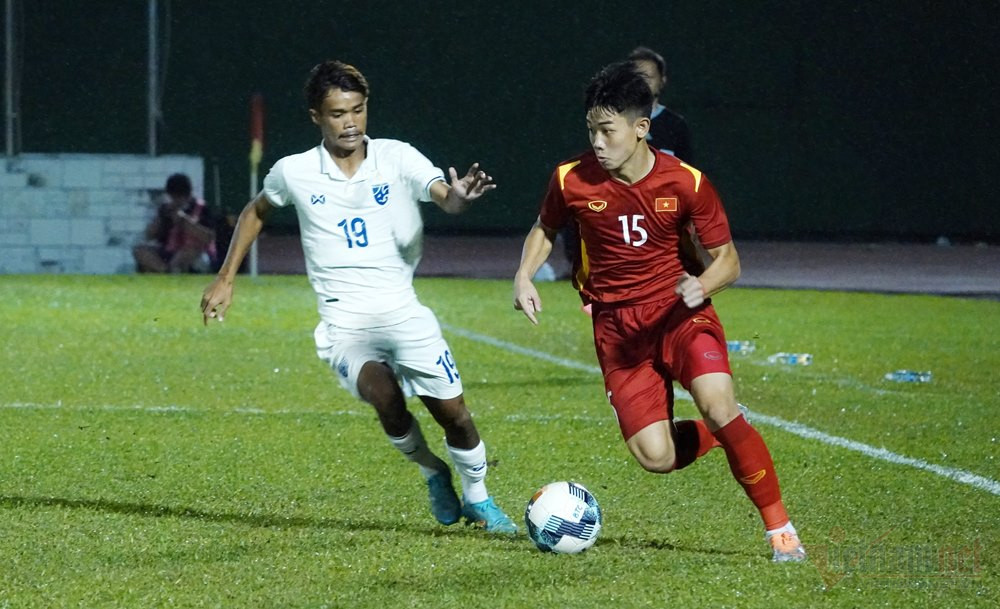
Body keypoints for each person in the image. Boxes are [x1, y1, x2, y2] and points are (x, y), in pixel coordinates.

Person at [200, 60, 516, 534]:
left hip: (403, 313)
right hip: (344, 323)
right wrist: (227, 277)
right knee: (385, 397)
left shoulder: (396, 157)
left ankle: (479, 497)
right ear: (316, 116)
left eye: (358, 110)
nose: (350, 122)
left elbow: (443, 195)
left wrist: (459, 197)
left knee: (455, 414)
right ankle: (432, 470)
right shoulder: (295, 171)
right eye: (337, 113)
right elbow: (256, 210)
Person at [513, 61, 806, 562]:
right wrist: (523, 275)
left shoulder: (686, 183)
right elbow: (545, 228)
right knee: (656, 456)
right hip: (617, 329)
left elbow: (729, 261)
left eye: (608, 131)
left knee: (717, 402)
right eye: (591, 131)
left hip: (679, 315)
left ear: (641, 128)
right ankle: (724, 433)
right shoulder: (570, 179)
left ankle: (781, 530)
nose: (597, 142)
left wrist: (701, 285)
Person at [133, 173, 218, 273]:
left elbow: (208, 237)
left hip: (192, 251)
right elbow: (149, 235)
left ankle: (171, 269)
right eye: (173, 196)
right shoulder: (165, 208)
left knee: (188, 252)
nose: (176, 200)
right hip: (167, 250)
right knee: (140, 250)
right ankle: (166, 271)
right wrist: (160, 218)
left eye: (179, 196)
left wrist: (184, 221)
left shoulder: (201, 208)